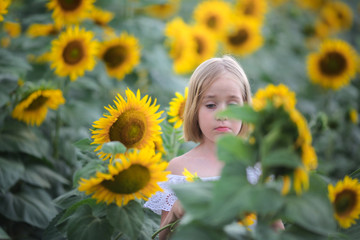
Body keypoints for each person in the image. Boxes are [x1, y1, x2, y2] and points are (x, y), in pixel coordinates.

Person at [144, 55, 283, 239]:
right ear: (194, 110)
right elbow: (162, 237)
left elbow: (277, 230)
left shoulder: (256, 168)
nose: (222, 114)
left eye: (233, 105)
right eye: (211, 105)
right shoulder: (178, 169)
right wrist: (175, 213)